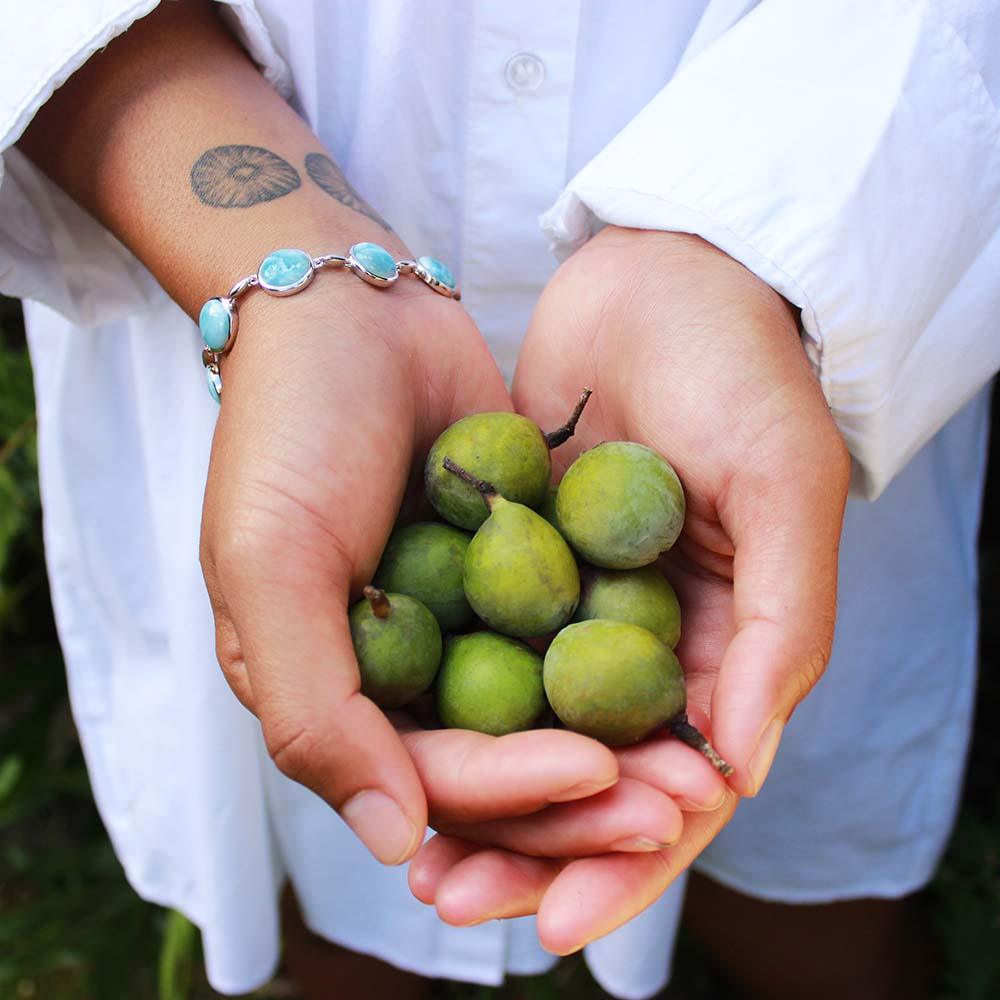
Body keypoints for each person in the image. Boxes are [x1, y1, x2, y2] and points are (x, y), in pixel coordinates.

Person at [2, 1, 997, 997]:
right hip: (244, 299)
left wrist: (743, 255)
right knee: (333, 832)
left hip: (800, 276)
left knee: (796, 852)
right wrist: (269, 242)